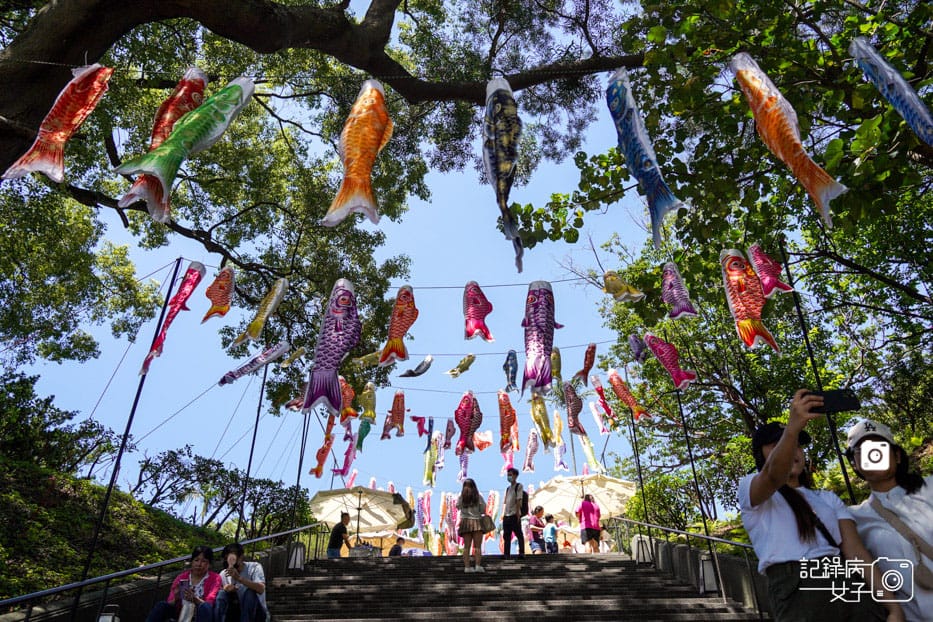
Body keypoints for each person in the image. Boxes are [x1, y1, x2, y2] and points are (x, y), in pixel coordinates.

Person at [738, 390, 904, 622]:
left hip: (845, 582)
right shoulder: (752, 490)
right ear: (761, 456)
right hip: (797, 589)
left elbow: (856, 553)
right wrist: (792, 428)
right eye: (776, 445)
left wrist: (893, 607)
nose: (793, 450)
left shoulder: (827, 498)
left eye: (797, 445)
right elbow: (773, 476)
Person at [846, 419, 933, 621]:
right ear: (854, 464)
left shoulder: (929, 488)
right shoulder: (853, 518)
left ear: (897, 455)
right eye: (864, 451)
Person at [145, 545, 220, 622]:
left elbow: (210, 604)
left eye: (204, 561)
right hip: (180, 613)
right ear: (192, 561)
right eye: (196, 560)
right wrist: (176, 597)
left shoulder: (215, 578)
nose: (199, 564)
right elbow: (170, 602)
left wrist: (195, 599)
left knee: (205, 606)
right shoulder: (182, 577)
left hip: (200, 615)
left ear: (209, 564)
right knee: (161, 605)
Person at [214, 542, 268, 622]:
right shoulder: (223, 574)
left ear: (241, 557)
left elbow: (261, 589)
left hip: (256, 613)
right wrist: (226, 589)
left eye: (233, 558)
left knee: (250, 593)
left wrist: (239, 578)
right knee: (221, 594)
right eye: (227, 558)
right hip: (234, 612)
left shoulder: (254, 567)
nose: (230, 562)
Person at [456, 478, 487, 573]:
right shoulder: (478, 496)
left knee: (466, 546)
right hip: (477, 522)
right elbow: (483, 509)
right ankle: (477, 566)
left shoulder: (461, 497)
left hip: (465, 522)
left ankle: (467, 567)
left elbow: (457, 506)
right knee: (477, 546)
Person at [502, 467, 525, 558]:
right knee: (506, 535)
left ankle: (521, 553)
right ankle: (506, 554)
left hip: (514, 514)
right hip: (506, 515)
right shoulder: (508, 488)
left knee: (518, 533)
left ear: (515, 476)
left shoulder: (519, 486)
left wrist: (518, 513)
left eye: (510, 475)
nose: (509, 477)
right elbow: (505, 502)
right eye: (508, 475)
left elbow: (519, 500)